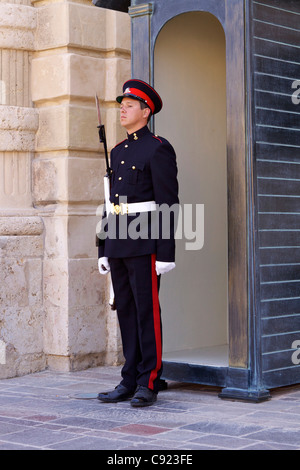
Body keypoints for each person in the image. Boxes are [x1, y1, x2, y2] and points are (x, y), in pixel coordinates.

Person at [97, 79, 179, 407]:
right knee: (126, 312)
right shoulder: (117, 151)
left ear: (146, 112)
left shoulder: (158, 148)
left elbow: (167, 203)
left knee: (147, 312)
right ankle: (129, 378)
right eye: (121, 105)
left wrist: (166, 251)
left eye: (129, 105)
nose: (122, 109)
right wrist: (102, 247)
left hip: (145, 241)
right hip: (118, 241)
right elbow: (109, 202)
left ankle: (149, 379)